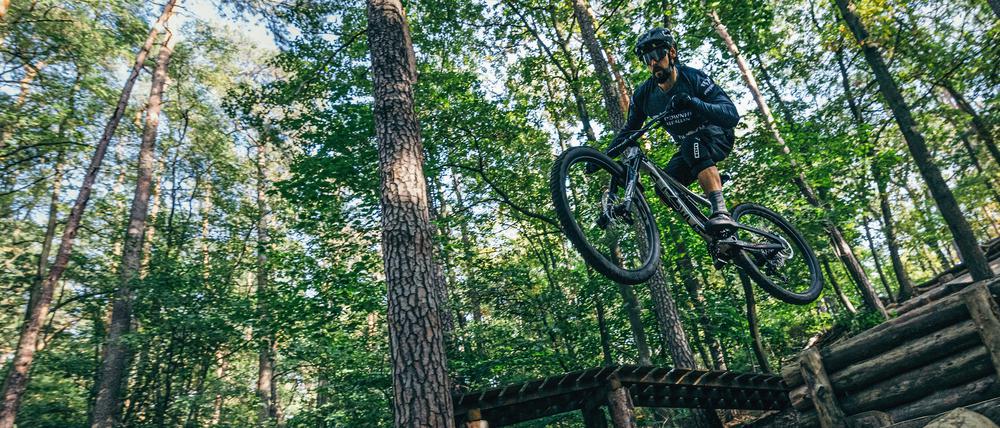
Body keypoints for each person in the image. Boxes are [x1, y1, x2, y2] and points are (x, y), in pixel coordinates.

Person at [598, 27, 740, 236]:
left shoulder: (693, 78)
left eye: (657, 54)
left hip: (717, 135)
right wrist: (603, 157)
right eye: (647, 58)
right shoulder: (644, 95)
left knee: (691, 144)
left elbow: (731, 114)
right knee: (664, 189)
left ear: (671, 53)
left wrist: (693, 102)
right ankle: (714, 235)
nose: (653, 62)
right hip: (689, 148)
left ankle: (721, 212)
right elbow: (630, 130)